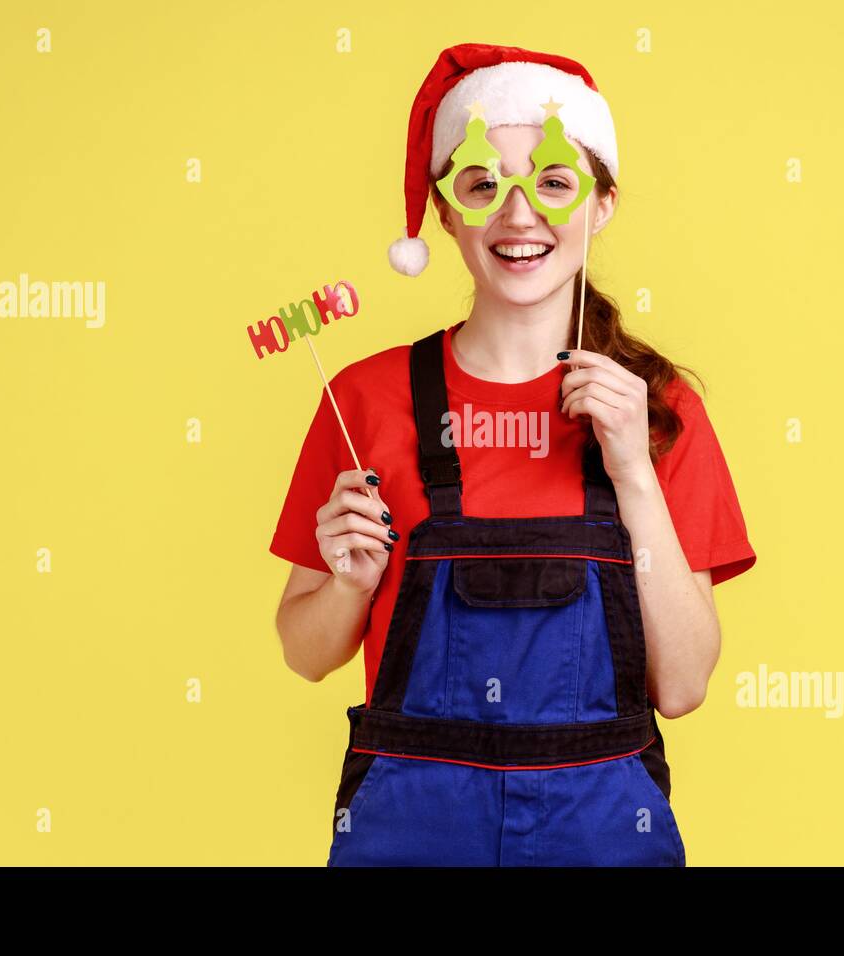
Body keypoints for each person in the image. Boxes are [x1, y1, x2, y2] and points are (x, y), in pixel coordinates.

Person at [268, 42, 757, 866]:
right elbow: (304, 651)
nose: (518, 216)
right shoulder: (363, 400)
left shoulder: (661, 410)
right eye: (483, 184)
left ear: (600, 205)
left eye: (553, 183)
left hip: (604, 837)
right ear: (448, 211)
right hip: (411, 839)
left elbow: (683, 687)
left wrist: (633, 472)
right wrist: (352, 582)